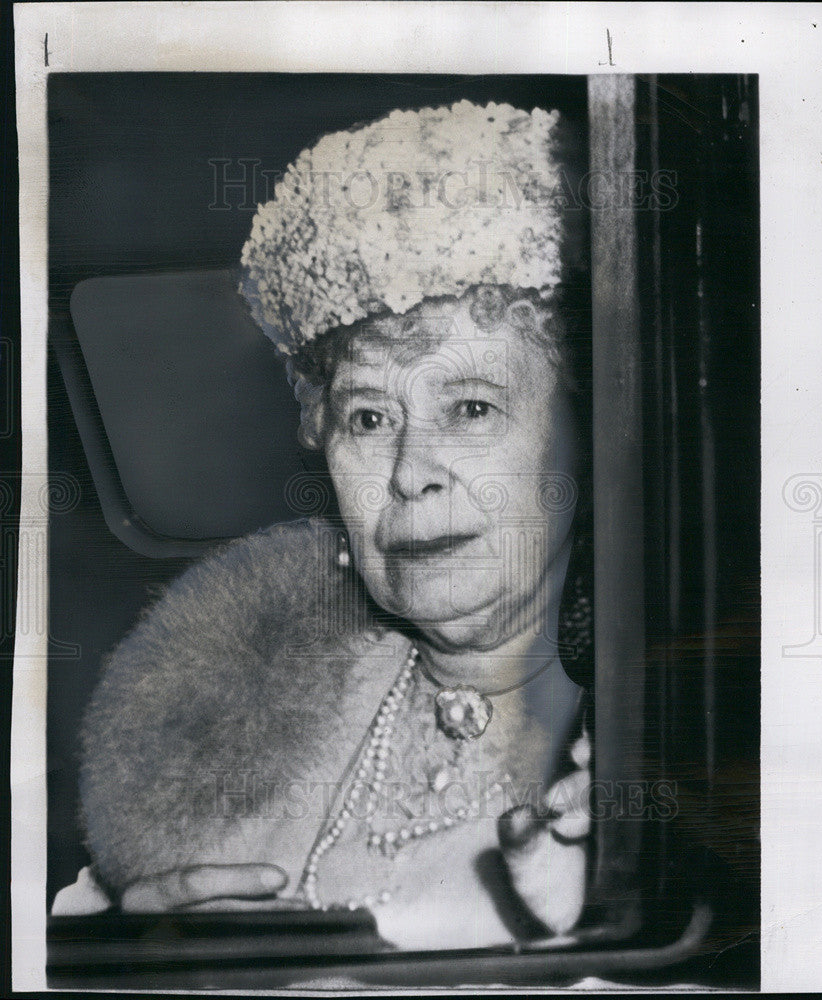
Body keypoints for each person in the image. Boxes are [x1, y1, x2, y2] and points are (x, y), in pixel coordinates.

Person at [55, 99, 596, 951]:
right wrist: (137, 954)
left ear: (591, 438)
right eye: (370, 419)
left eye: (472, 407)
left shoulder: (666, 747)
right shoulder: (227, 719)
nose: (411, 472)